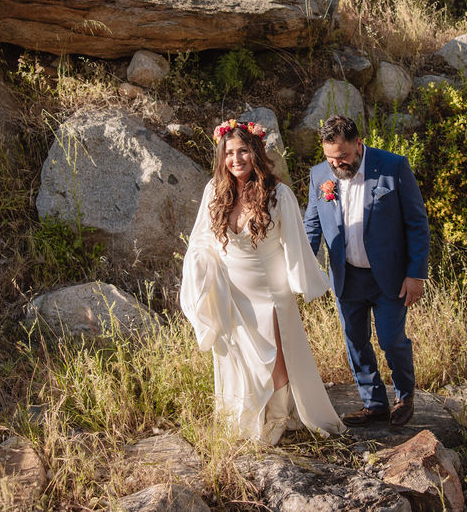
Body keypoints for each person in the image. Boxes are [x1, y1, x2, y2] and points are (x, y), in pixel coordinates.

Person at [180, 119, 345, 445]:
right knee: (239, 358)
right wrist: (201, 272)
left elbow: (296, 240)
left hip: (270, 293)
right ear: (222, 156)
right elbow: (200, 240)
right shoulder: (214, 192)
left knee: (276, 360)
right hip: (231, 291)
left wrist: (304, 282)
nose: (236, 159)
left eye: (243, 151)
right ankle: (247, 415)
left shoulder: (277, 193)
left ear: (256, 152)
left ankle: (278, 417)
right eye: (229, 153)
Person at [304, 115, 430, 427]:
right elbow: (312, 226)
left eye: (343, 156)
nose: (337, 164)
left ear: (359, 144)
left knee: (390, 339)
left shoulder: (393, 167)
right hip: (346, 277)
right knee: (355, 341)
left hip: (390, 276)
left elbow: (417, 223)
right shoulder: (319, 175)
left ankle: (404, 396)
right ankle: (374, 403)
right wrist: (300, 268)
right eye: (330, 157)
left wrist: (416, 274)